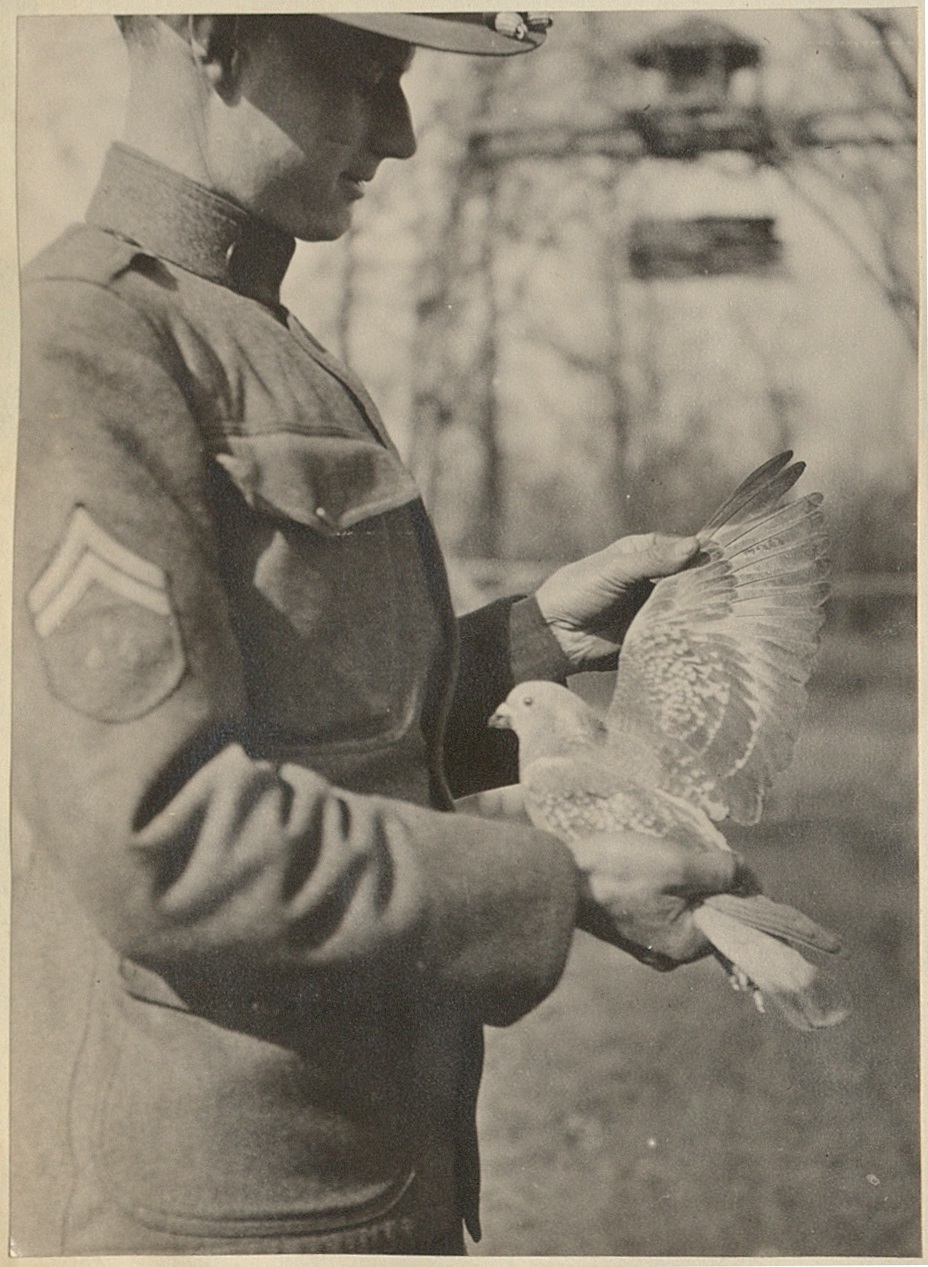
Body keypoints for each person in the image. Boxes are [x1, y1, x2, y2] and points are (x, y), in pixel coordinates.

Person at [11, 13, 753, 1256]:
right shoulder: (91, 339)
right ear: (209, 31)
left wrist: (526, 643)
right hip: (213, 1205)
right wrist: (556, 882)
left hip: (353, 1164)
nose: (402, 135)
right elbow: (159, 833)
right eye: (371, 75)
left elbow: (304, 716)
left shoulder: (249, 330)